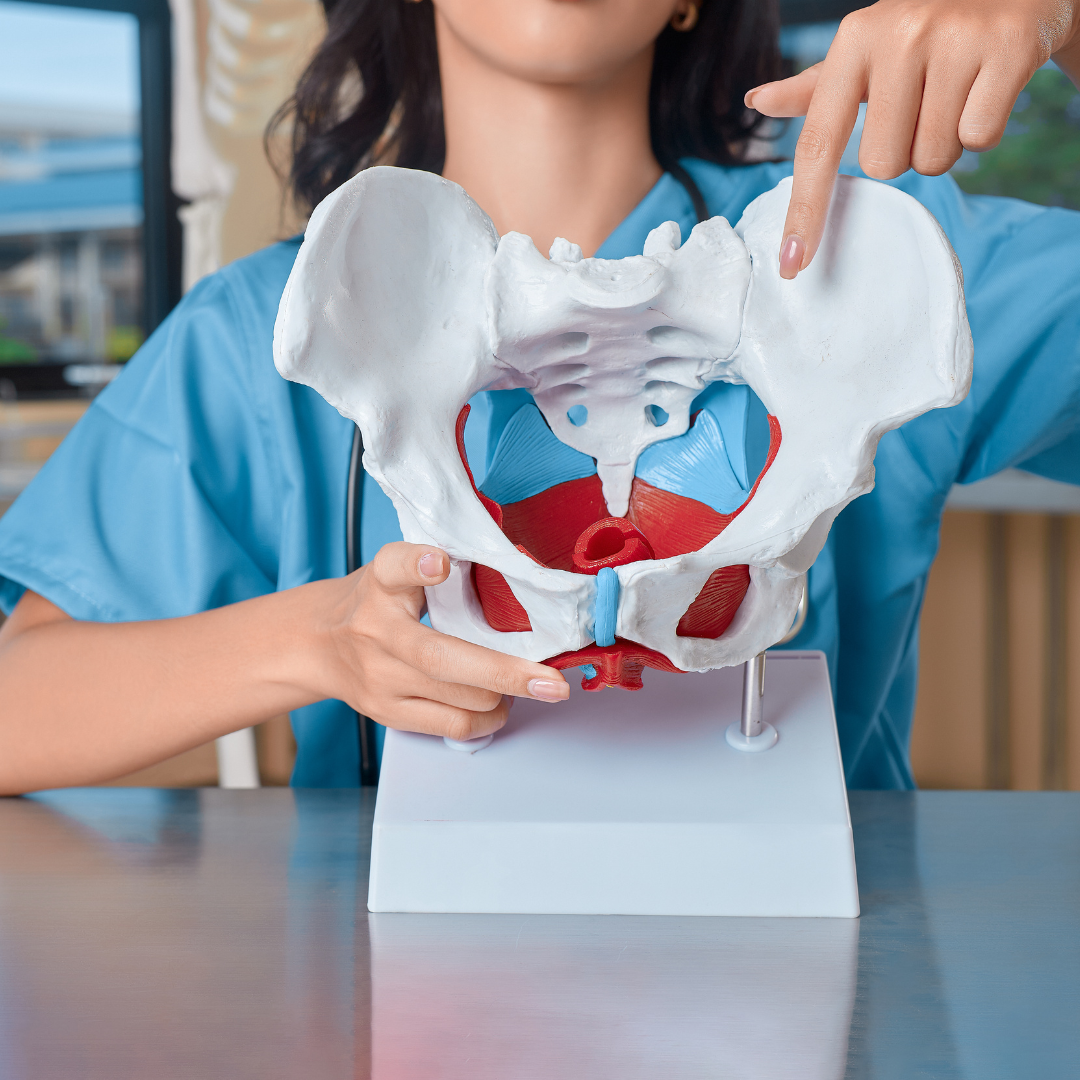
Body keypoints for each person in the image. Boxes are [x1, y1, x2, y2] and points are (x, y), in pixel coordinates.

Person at [0, 0, 1077, 793]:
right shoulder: (271, 329)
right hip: (400, 996)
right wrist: (315, 640)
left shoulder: (862, 254)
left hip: (833, 977)